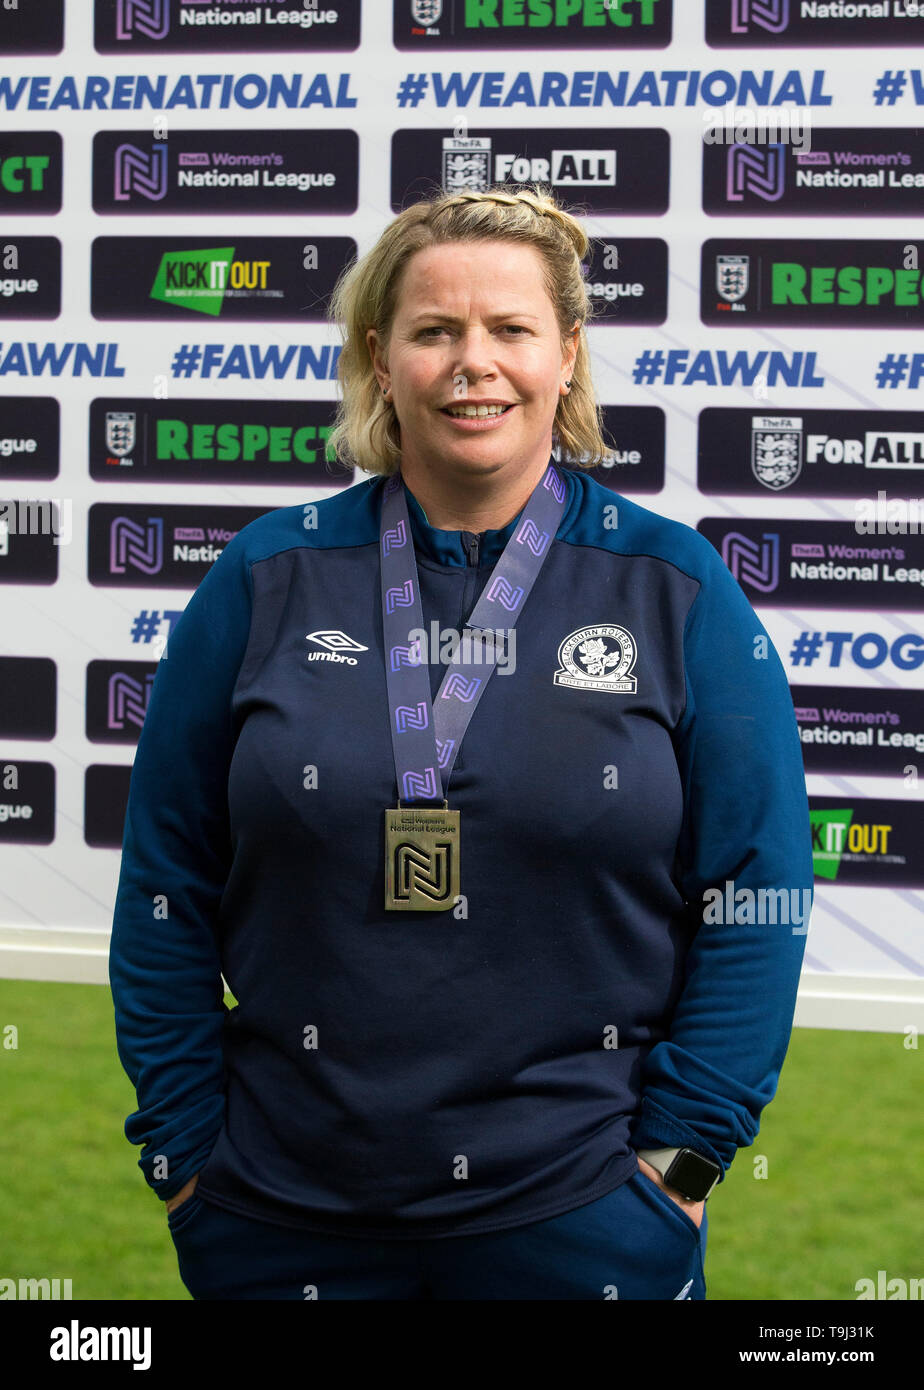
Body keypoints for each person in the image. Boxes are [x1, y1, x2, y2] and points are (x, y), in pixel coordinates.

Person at [109, 184, 813, 1301]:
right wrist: (186, 1159)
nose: (472, 363)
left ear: (567, 355)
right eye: (435, 331)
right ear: (382, 360)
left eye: (510, 330)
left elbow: (759, 891)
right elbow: (164, 884)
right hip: (280, 1223)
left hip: (582, 1222)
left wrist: (676, 1168)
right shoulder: (263, 578)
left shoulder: (676, 590)